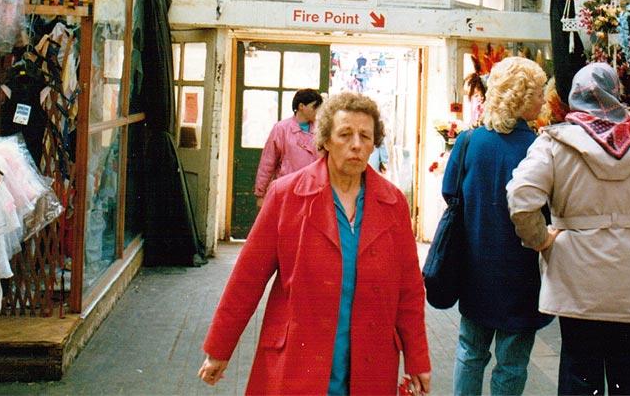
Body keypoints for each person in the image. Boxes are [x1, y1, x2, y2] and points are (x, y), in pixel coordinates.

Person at [199, 92, 431, 395]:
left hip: (369, 364)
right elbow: (247, 279)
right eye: (345, 134)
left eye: (365, 136)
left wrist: (418, 360)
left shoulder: (392, 202)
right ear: (324, 140)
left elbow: (410, 290)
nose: (357, 144)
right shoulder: (286, 195)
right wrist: (219, 349)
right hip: (299, 360)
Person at [507, 62, 630, 396]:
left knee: (579, 373)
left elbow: (521, 196)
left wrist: (540, 240)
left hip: (577, 281)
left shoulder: (555, 143)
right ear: (616, 94)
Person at [443, 56, 551, 396]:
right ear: (519, 97)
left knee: (470, 353)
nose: (543, 101)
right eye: (537, 94)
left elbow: (450, 192)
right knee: (512, 363)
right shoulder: (539, 147)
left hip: (474, 266)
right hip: (522, 272)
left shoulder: (469, 141)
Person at [253, 88, 322, 208]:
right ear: (301, 106)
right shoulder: (281, 129)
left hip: (313, 192)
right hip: (286, 191)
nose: (317, 111)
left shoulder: (320, 130)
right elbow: (267, 163)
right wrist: (260, 194)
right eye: (314, 107)